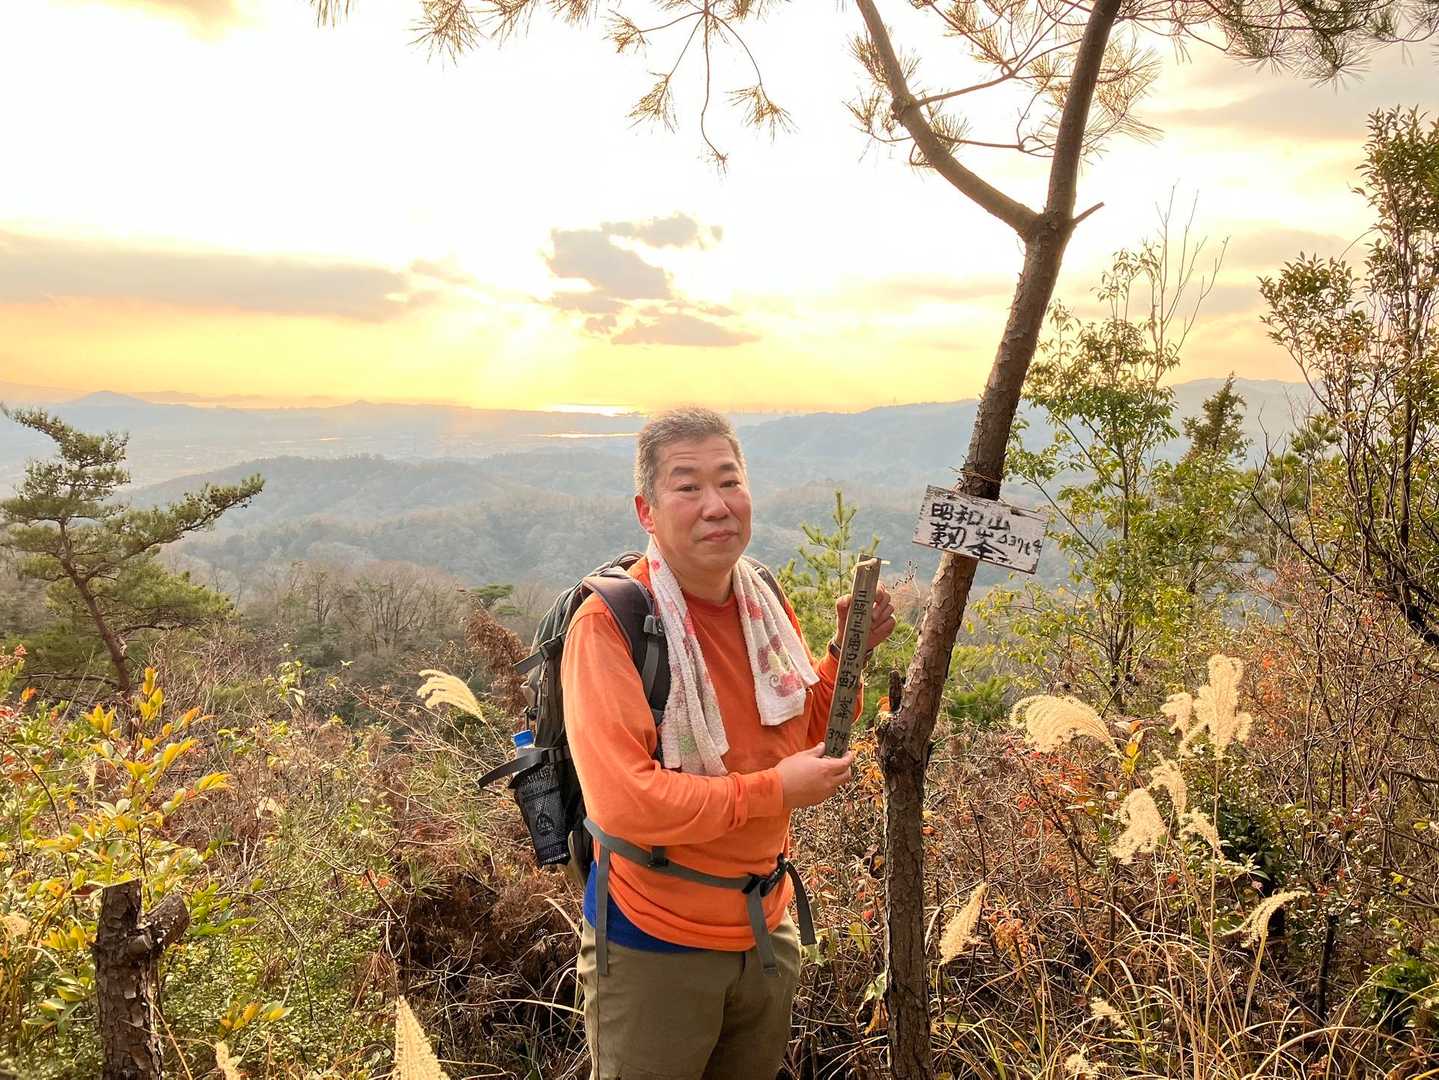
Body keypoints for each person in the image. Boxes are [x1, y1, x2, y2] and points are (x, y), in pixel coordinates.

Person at [562, 406, 895, 1080]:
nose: (715, 505)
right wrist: (774, 791)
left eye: (729, 481)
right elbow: (626, 804)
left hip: (765, 926)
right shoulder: (610, 625)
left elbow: (803, 731)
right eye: (687, 487)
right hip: (654, 940)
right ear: (647, 511)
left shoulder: (761, 601)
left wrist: (846, 653)